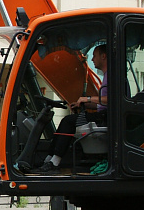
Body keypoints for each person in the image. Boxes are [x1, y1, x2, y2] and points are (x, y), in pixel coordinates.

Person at [41, 43, 109, 172]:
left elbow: (112, 100)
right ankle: (49, 158)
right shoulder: (107, 76)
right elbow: (103, 102)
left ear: (104, 56)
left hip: (105, 118)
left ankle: (55, 162)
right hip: (102, 115)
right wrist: (82, 103)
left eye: (94, 56)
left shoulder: (112, 75)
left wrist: (87, 99)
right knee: (68, 120)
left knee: (69, 121)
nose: (92, 59)